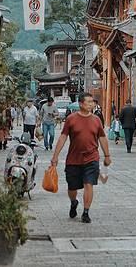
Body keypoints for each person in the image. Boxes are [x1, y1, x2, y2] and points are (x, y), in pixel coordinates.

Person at [51, 93, 111, 224]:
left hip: (91, 158)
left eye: (92, 102)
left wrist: (107, 155)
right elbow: (63, 137)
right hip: (73, 159)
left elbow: (102, 137)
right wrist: (55, 156)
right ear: (81, 104)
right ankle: (74, 202)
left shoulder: (96, 120)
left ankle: (86, 212)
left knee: (89, 184)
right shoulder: (71, 119)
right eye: (88, 102)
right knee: (72, 187)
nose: (91, 104)